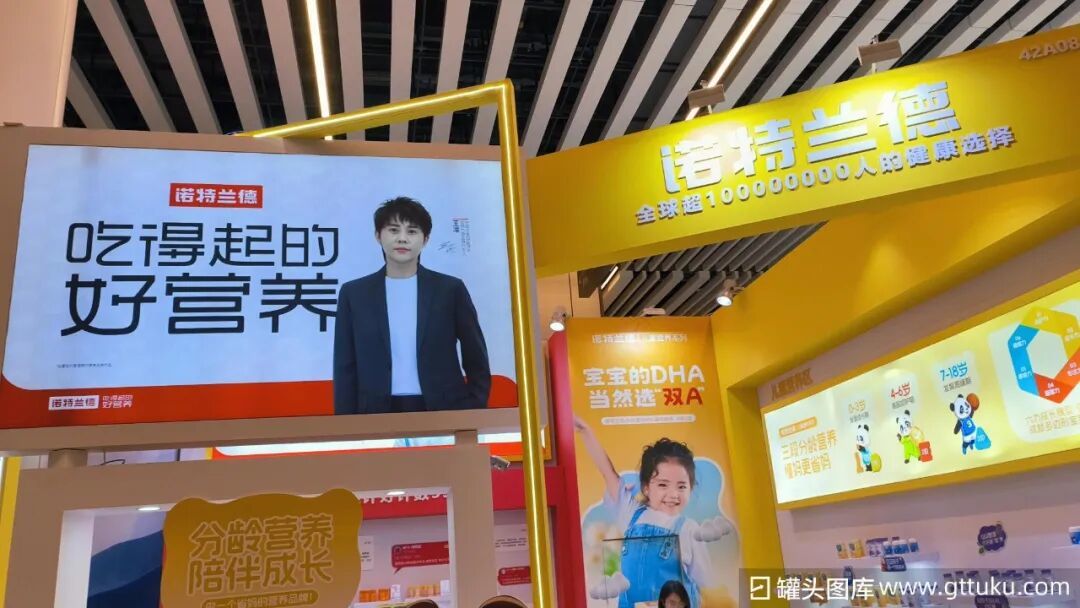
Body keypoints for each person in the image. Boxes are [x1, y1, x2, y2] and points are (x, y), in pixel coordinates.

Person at [333, 196, 491, 414]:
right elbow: (345, 365)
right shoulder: (354, 294)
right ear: (378, 235)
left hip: (443, 409)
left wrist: (473, 407)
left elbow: (476, 355)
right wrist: (346, 421)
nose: (402, 239)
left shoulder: (450, 290)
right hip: (374, 412)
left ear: (425, 239)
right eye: (393, 230)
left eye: (412, 231)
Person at [575, 417, 732, 608]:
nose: (673, 494)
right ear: (646, 487)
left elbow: (706, 584)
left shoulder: (689, 529)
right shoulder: (631, 513)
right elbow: (607, 472)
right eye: (663, 485)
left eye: (681, 486)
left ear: (691, 489)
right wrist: (586, 431)